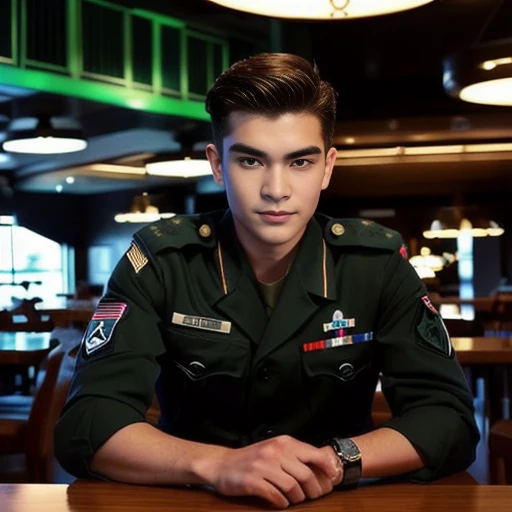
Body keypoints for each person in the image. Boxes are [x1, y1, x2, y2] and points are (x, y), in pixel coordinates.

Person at [55, 53, 479, 509]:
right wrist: (220, 466)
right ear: (218, 165)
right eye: (252, 162)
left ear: (327, 167)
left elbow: (449, 417)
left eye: (299, 162)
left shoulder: (375, 264)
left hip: (336, 503)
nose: (276, 189)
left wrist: (335, 461)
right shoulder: (160, 261)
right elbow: (89, 423)